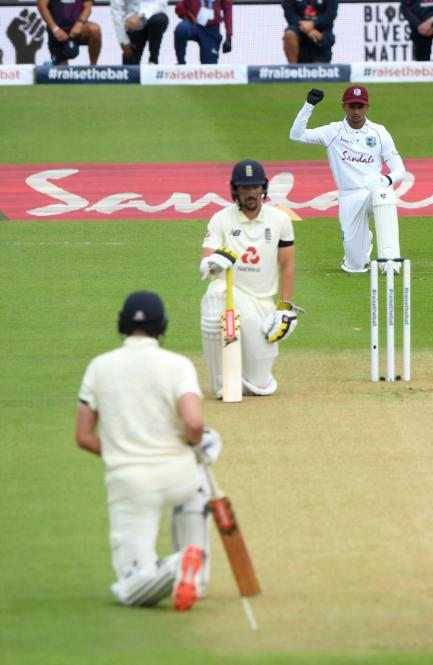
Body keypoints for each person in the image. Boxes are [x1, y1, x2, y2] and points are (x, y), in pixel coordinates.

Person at [76, 290, 219, 610]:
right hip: (178, 475)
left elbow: (83, 436)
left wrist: (120, 452)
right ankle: (194, 575)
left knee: (130, 585)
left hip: (130, 484)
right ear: (162, 326)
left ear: (122, 324)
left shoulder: (99, 367)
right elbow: (194, 425)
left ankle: (174, 567)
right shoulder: (178, 365)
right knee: (196, 482)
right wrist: (195, 448)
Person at [199, 160, 299, 396]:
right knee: (215, 294)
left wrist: (284, 307)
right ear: (235, 190)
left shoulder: (279, 220)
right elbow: (207, 262)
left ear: (263, 188)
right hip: (231, 293)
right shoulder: (221, 219)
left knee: (260, 385)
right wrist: (212, 263)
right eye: (245, 188)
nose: (251, 193)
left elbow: (287, 264)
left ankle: (247, 377)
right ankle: (221, 383)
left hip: (262, 302)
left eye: (255, 187)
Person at [289, 86, 407, 273]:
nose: (356, 112)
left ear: (367, 107)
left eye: (360, 106)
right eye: (352, 106)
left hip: (373, 191)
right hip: (349, 196)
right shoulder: (333, 131)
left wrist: (385, 181)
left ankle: (390, 262)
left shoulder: (379, 131)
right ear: (344, 107)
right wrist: (309, 105)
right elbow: (296, 135)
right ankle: (360, 245)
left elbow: (400, 169)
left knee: (385, 195)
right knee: (355, 266)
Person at [36, 0, 102, 65]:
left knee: (94, 30)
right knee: (61, 73)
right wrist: (55, 29)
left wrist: (79, 23)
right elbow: (42, 6)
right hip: (58, 31)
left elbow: (88, 6)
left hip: (78, 28)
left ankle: (93, 67)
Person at [110, 0, 169, 65]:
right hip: (132, 25)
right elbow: (116, 12)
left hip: (153, 16)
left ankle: (153, 60)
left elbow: (161, 3)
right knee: (129, 68)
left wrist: (141, 15)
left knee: (159, 20)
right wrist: (123, 40)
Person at [174, 0, 232, 64]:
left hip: (211, 30)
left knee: (209, 68)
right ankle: (181, 63)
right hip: (194, 24)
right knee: (181, 30)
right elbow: (181, 7)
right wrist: (188, 14)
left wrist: (228, 37)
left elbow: (227, 9)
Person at [282, 0, 337, 64]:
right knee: (289, 34)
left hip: (321, 33)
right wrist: (306, 28)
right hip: (298, 29)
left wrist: (314, 23)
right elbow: (289, 12)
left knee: (319, 70)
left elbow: (331, 14)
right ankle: (293, 68)